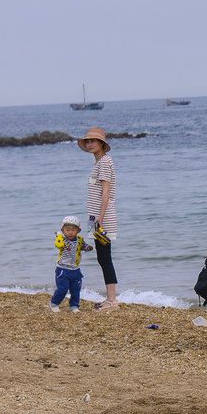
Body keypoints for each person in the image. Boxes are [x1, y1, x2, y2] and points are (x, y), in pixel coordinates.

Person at [77, 126, 119, 309]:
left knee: (105, 257)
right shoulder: (99, 162)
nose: (89, 144)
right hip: (94, 217)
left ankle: (112, 301)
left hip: (102, 218)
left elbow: (106, 191)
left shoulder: (105, 162)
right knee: (102, 258)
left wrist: (100, 217)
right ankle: (110, 299)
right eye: (87, 141)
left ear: (102, 143)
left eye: (93, 141)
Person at [50, 216, 87, 313]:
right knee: (63, 288)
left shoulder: (79, 239)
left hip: (75, 269)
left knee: (76, 289)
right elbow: (59, 245)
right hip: (63, 269)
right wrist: (59, 235)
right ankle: (54, 303)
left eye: (73, 230)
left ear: (78, 230)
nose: (70, 232)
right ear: (62, 230)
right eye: (67, 230)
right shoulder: (62, 239)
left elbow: (83, 246)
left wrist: (87, 248)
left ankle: (74, 306)